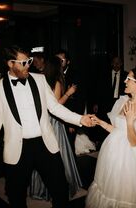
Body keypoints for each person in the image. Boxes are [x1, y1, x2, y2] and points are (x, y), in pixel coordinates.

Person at [0, 45, 94, 208]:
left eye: (29, 61)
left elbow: (55, 107)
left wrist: (80, 119)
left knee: (60, 189)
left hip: (45, 144)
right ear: (10, 64)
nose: (28, 65)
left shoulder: (40, 80)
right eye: (23, 63)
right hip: (17, 148)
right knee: (15, 195)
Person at [86, 67, 136, 208]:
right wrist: (101, 122)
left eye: (128, 79)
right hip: (112, 150)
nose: (124, 81)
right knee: (109, 185)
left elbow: (134, 142)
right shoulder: (123, 101)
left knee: (127, 191)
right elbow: (117, 130)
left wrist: (130, 122)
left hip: (130, 156)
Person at [30, 56, 82, 200]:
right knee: (59, 154)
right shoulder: (56, 81)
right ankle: (60, 187)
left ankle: (40, 188)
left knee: (43, 154)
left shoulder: (41, 79)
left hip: (42, 120)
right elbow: (56, 105)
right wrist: (69, 93)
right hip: (54, 121)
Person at [90, 55, 128, 149]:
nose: (116, 65)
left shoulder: (125, 75)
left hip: (119, 102)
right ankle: (104, 142)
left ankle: (116, 142)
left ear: (121, 64)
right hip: (105, 102)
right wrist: (96, 103)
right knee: (104, 121)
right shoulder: (104, 74)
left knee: (116, 122)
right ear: (111, 64)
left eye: (118, 63)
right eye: (114, 62)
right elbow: (98, 89)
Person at [56, 49, 87, 158]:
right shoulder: (53, 74)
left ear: (68, 62)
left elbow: (79, 99)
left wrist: (73, 122)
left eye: (62, 60)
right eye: (57, 59)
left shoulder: (76, 75)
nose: (59, 62)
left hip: (70, 117)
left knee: (69, 147)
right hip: (55, 117)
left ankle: (71, 171)